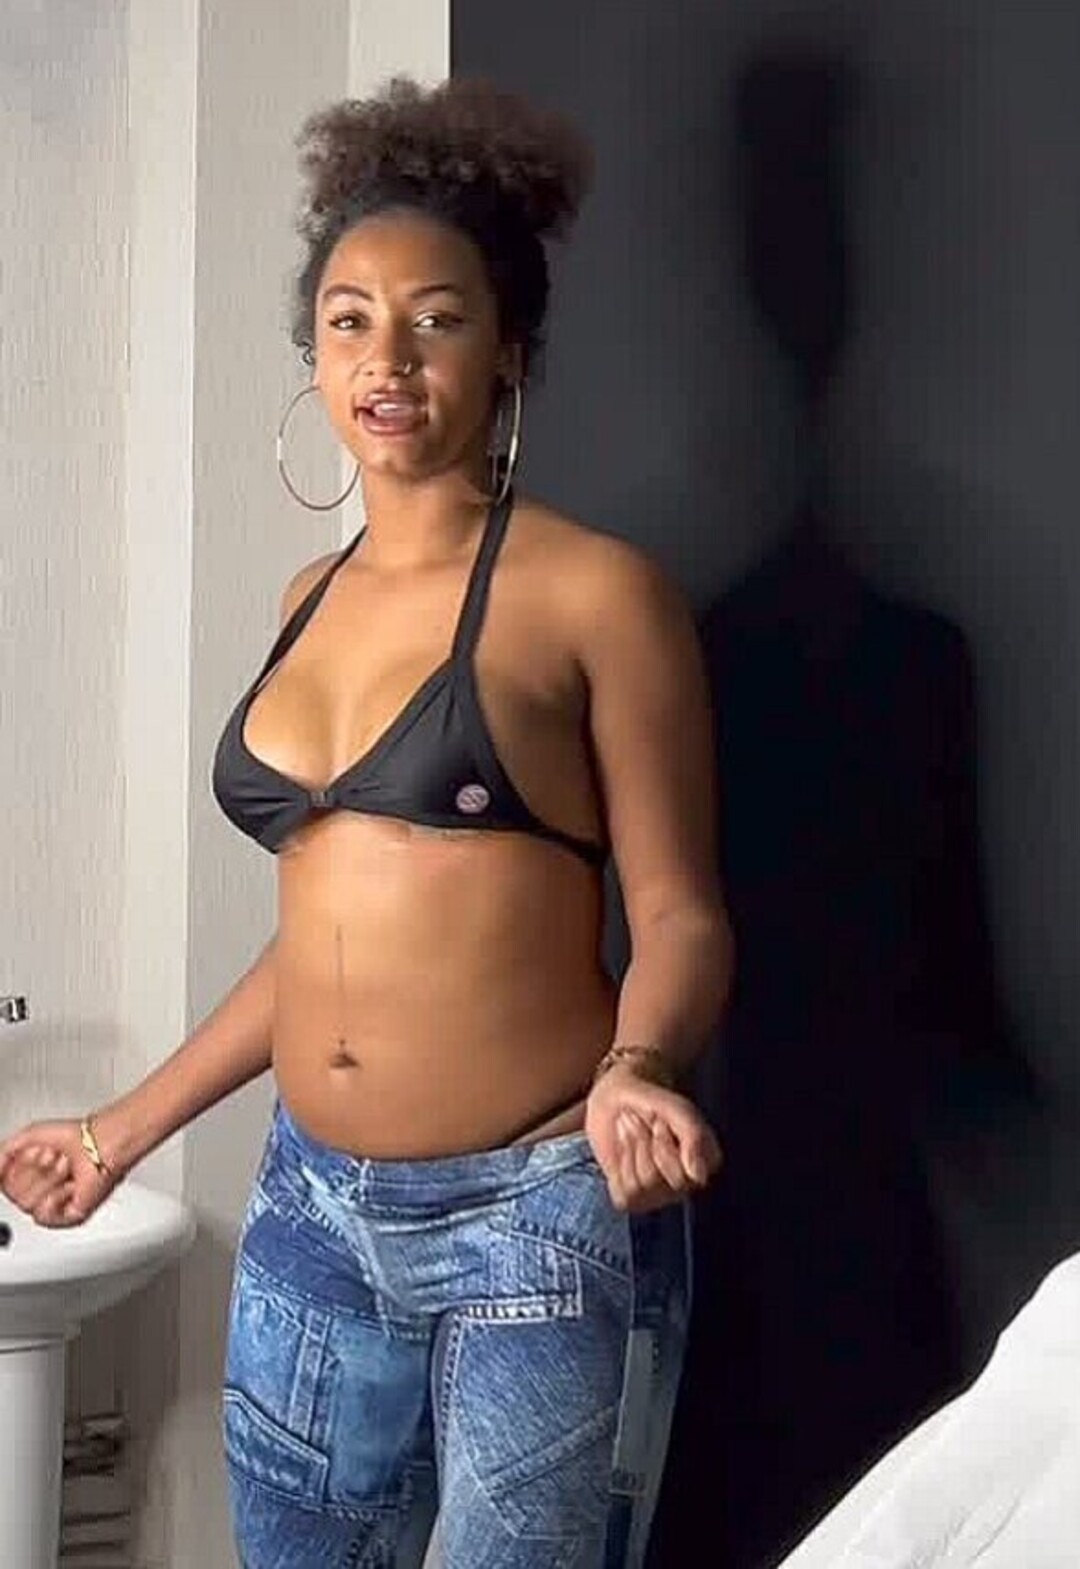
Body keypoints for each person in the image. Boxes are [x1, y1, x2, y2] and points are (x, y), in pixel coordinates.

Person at [0, 77, 732, 1568]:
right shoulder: (308, 599)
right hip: (312, 1212)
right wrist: (116, 1130)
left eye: (434, 319)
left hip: (530, 1215)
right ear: (315, 356)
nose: (385, 358)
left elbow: (679, 913)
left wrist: (642, 1065)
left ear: (508, 348)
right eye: (348, 320)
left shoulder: (596, 594)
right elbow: (325, 944)